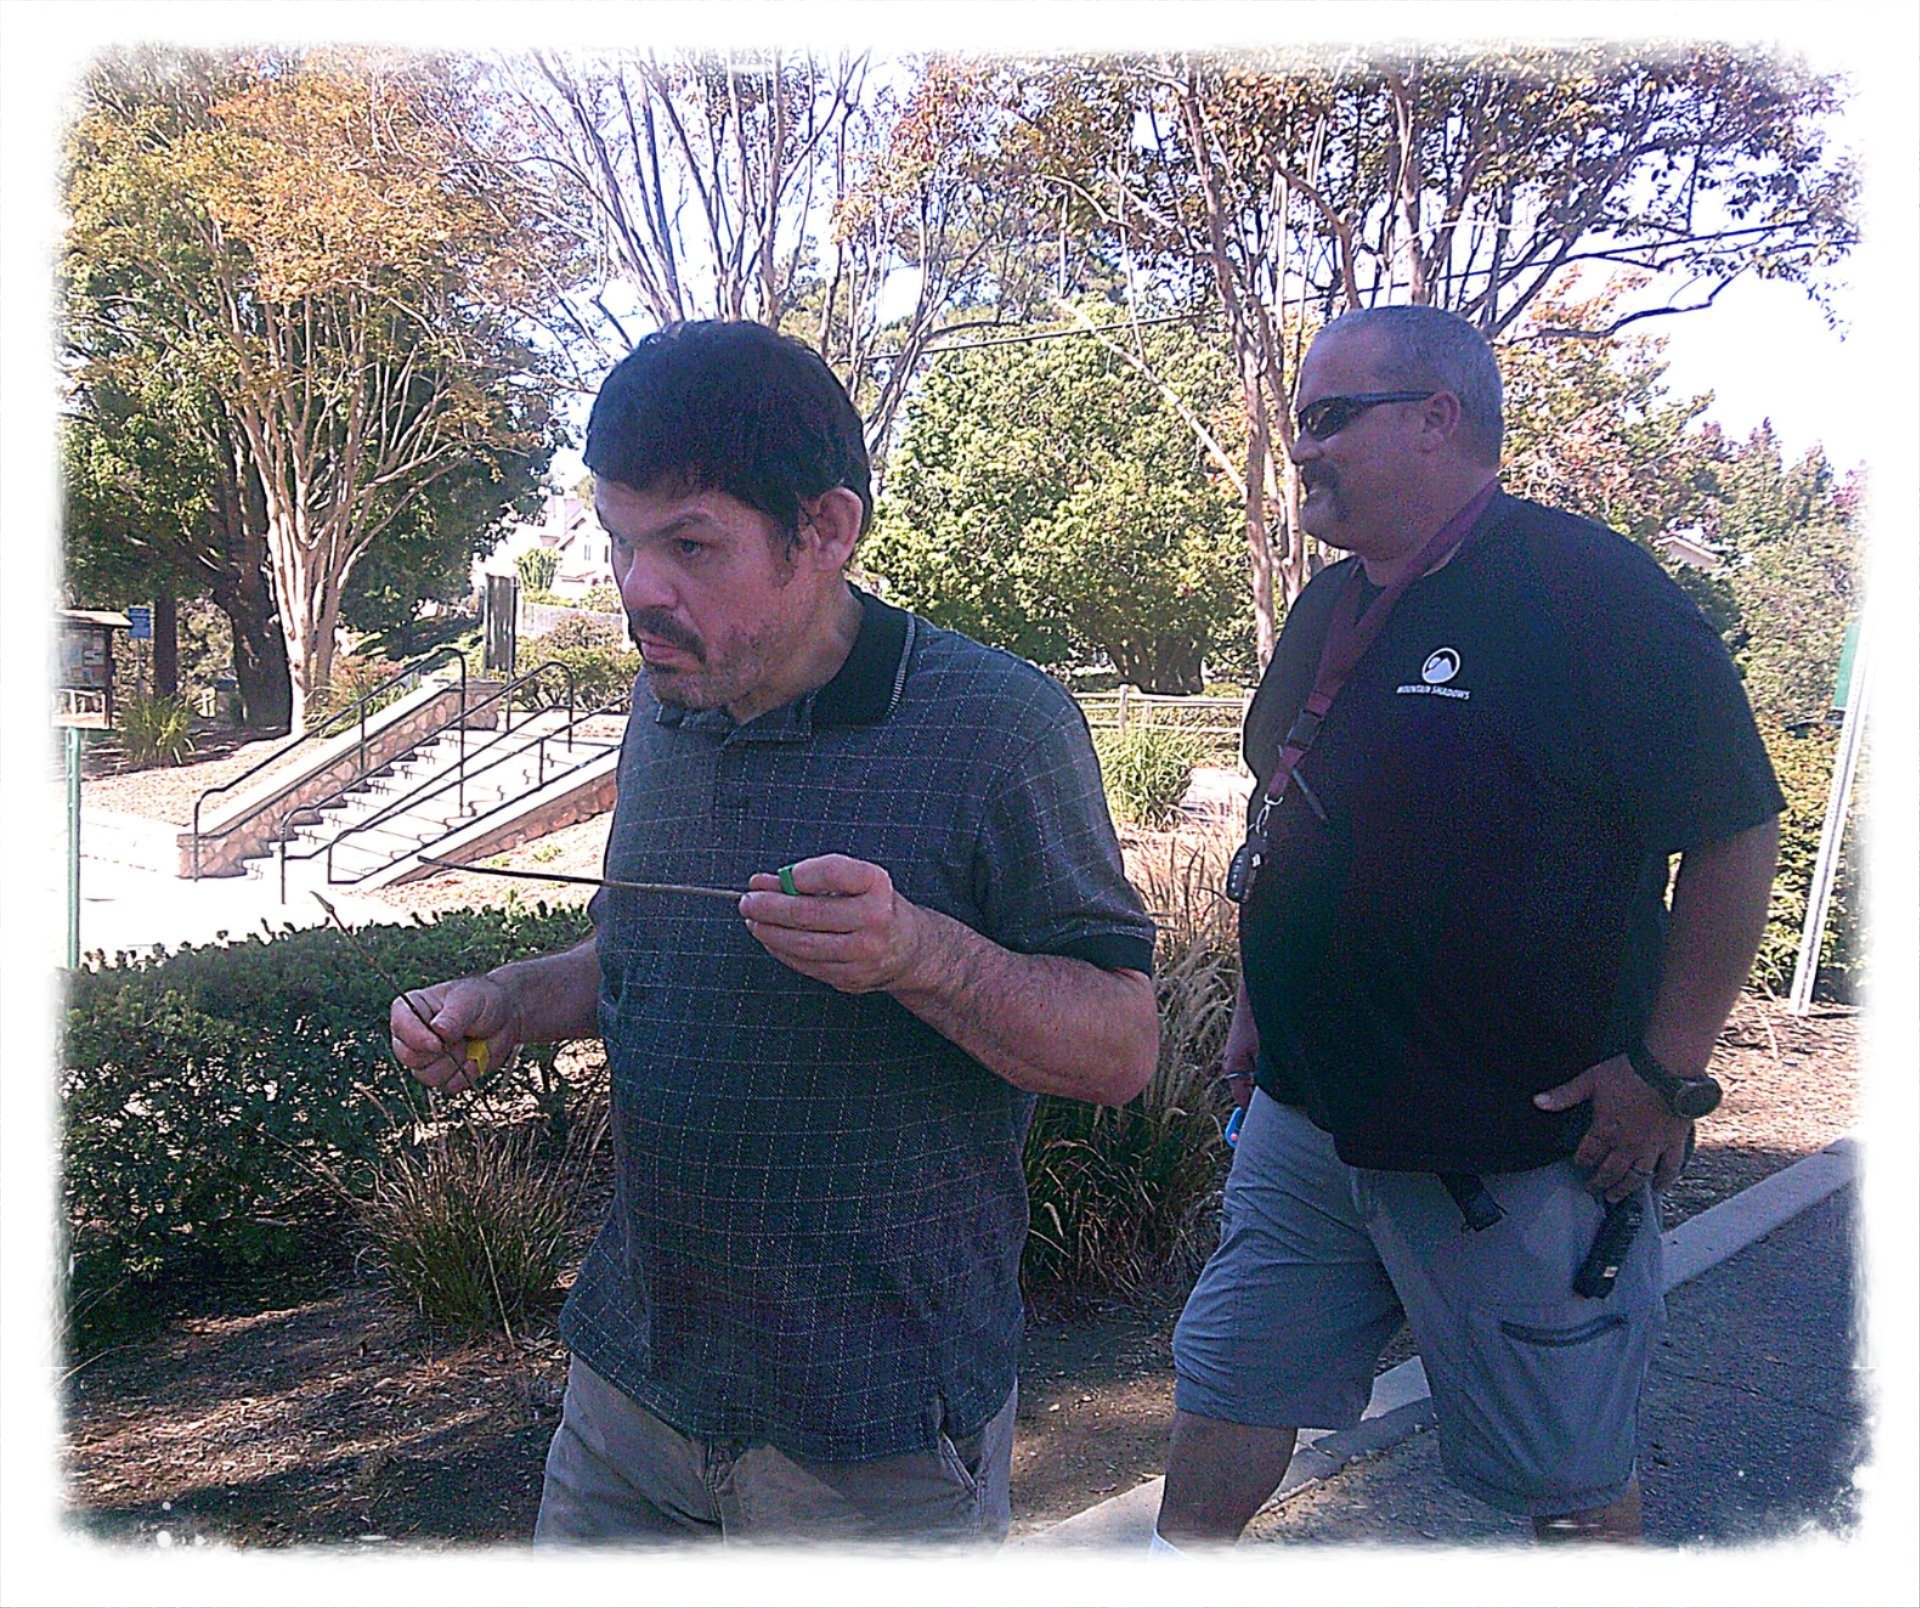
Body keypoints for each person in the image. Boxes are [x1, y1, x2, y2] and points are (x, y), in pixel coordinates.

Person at [390, 321, 1160, 1546]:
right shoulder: (666, 700)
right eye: (621, 540)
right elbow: (642, 948)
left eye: (690, 544)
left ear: (827, 530)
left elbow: (1122, 1049)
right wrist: (512, 1001)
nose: (640, 588)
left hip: (874, 1437)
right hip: (627, 1396)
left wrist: (918, 953)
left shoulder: (1001, 726)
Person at [1154, 305, 1783, 1548]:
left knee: (1569, 1482)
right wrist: (1261, 1013)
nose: (1303, 448)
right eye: (1301, 422)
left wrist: (1668, 1071)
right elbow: (1294, 819)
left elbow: (1734, 829)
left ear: (1438, 418)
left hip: (1508, 1149)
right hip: (1304, 1126)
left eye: (1330, 418)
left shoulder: (1589, 592)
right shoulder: (1328, 608)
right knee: (1226, 1392)